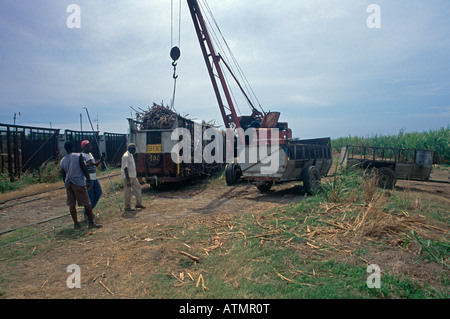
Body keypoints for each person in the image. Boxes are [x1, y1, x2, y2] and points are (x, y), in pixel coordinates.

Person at [60, 141, 102, 229]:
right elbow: (84, 168)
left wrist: (66, 184)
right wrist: (89, 181)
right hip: (78, 182)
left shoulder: (63, 160)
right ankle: (91, 223)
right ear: (72, 148)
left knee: (72, 204)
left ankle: (76, 224)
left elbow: (63, 174)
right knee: (87, 203)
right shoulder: (78, 156)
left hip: (69, 183)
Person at [81, 140, 103, 217]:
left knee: (98, 192)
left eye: (90, 145)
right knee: (90, 197)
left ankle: (88, 210)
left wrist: (100, 162)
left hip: (94, 177)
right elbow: (85, 166)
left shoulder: (90, 154)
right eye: (88, 146)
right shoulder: (82, 156)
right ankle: (87, 212)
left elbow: (93, 165)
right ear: (84, 147)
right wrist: (94, 163)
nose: (90, 147)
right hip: (87, 179)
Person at [121, 143, 145, 211]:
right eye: (134, 149)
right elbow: (125, 168)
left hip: (133, 176)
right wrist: (128, 179)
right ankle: (127, 206)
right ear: (130, 149)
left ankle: (138, 204)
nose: (135, 151)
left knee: (138, 188)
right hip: (128, 176)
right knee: (128, 191)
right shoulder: (126, 156)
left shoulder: (131, 155)